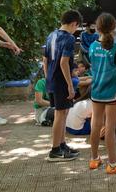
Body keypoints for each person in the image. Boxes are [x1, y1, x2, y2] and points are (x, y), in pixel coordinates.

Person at [88, 13, 116, 174]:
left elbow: (93, 67)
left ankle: (94, 159)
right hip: (113, 93)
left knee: (95, 125)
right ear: (113, 28)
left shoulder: (92, 46)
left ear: (97, 28)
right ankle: (112, 164)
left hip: (96, 91)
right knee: (110, 128)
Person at [43, 10, 82, 161]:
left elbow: (45, 60)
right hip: (61, 81)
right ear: (74, 24)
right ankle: (55, 150)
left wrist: (48, 78)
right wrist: (70, 85)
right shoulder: (69, 38)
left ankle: (62, 144)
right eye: (76, 27)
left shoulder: (51, 35)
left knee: (63, 113)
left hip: (52, 80)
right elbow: (63, 62)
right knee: (60, 115)